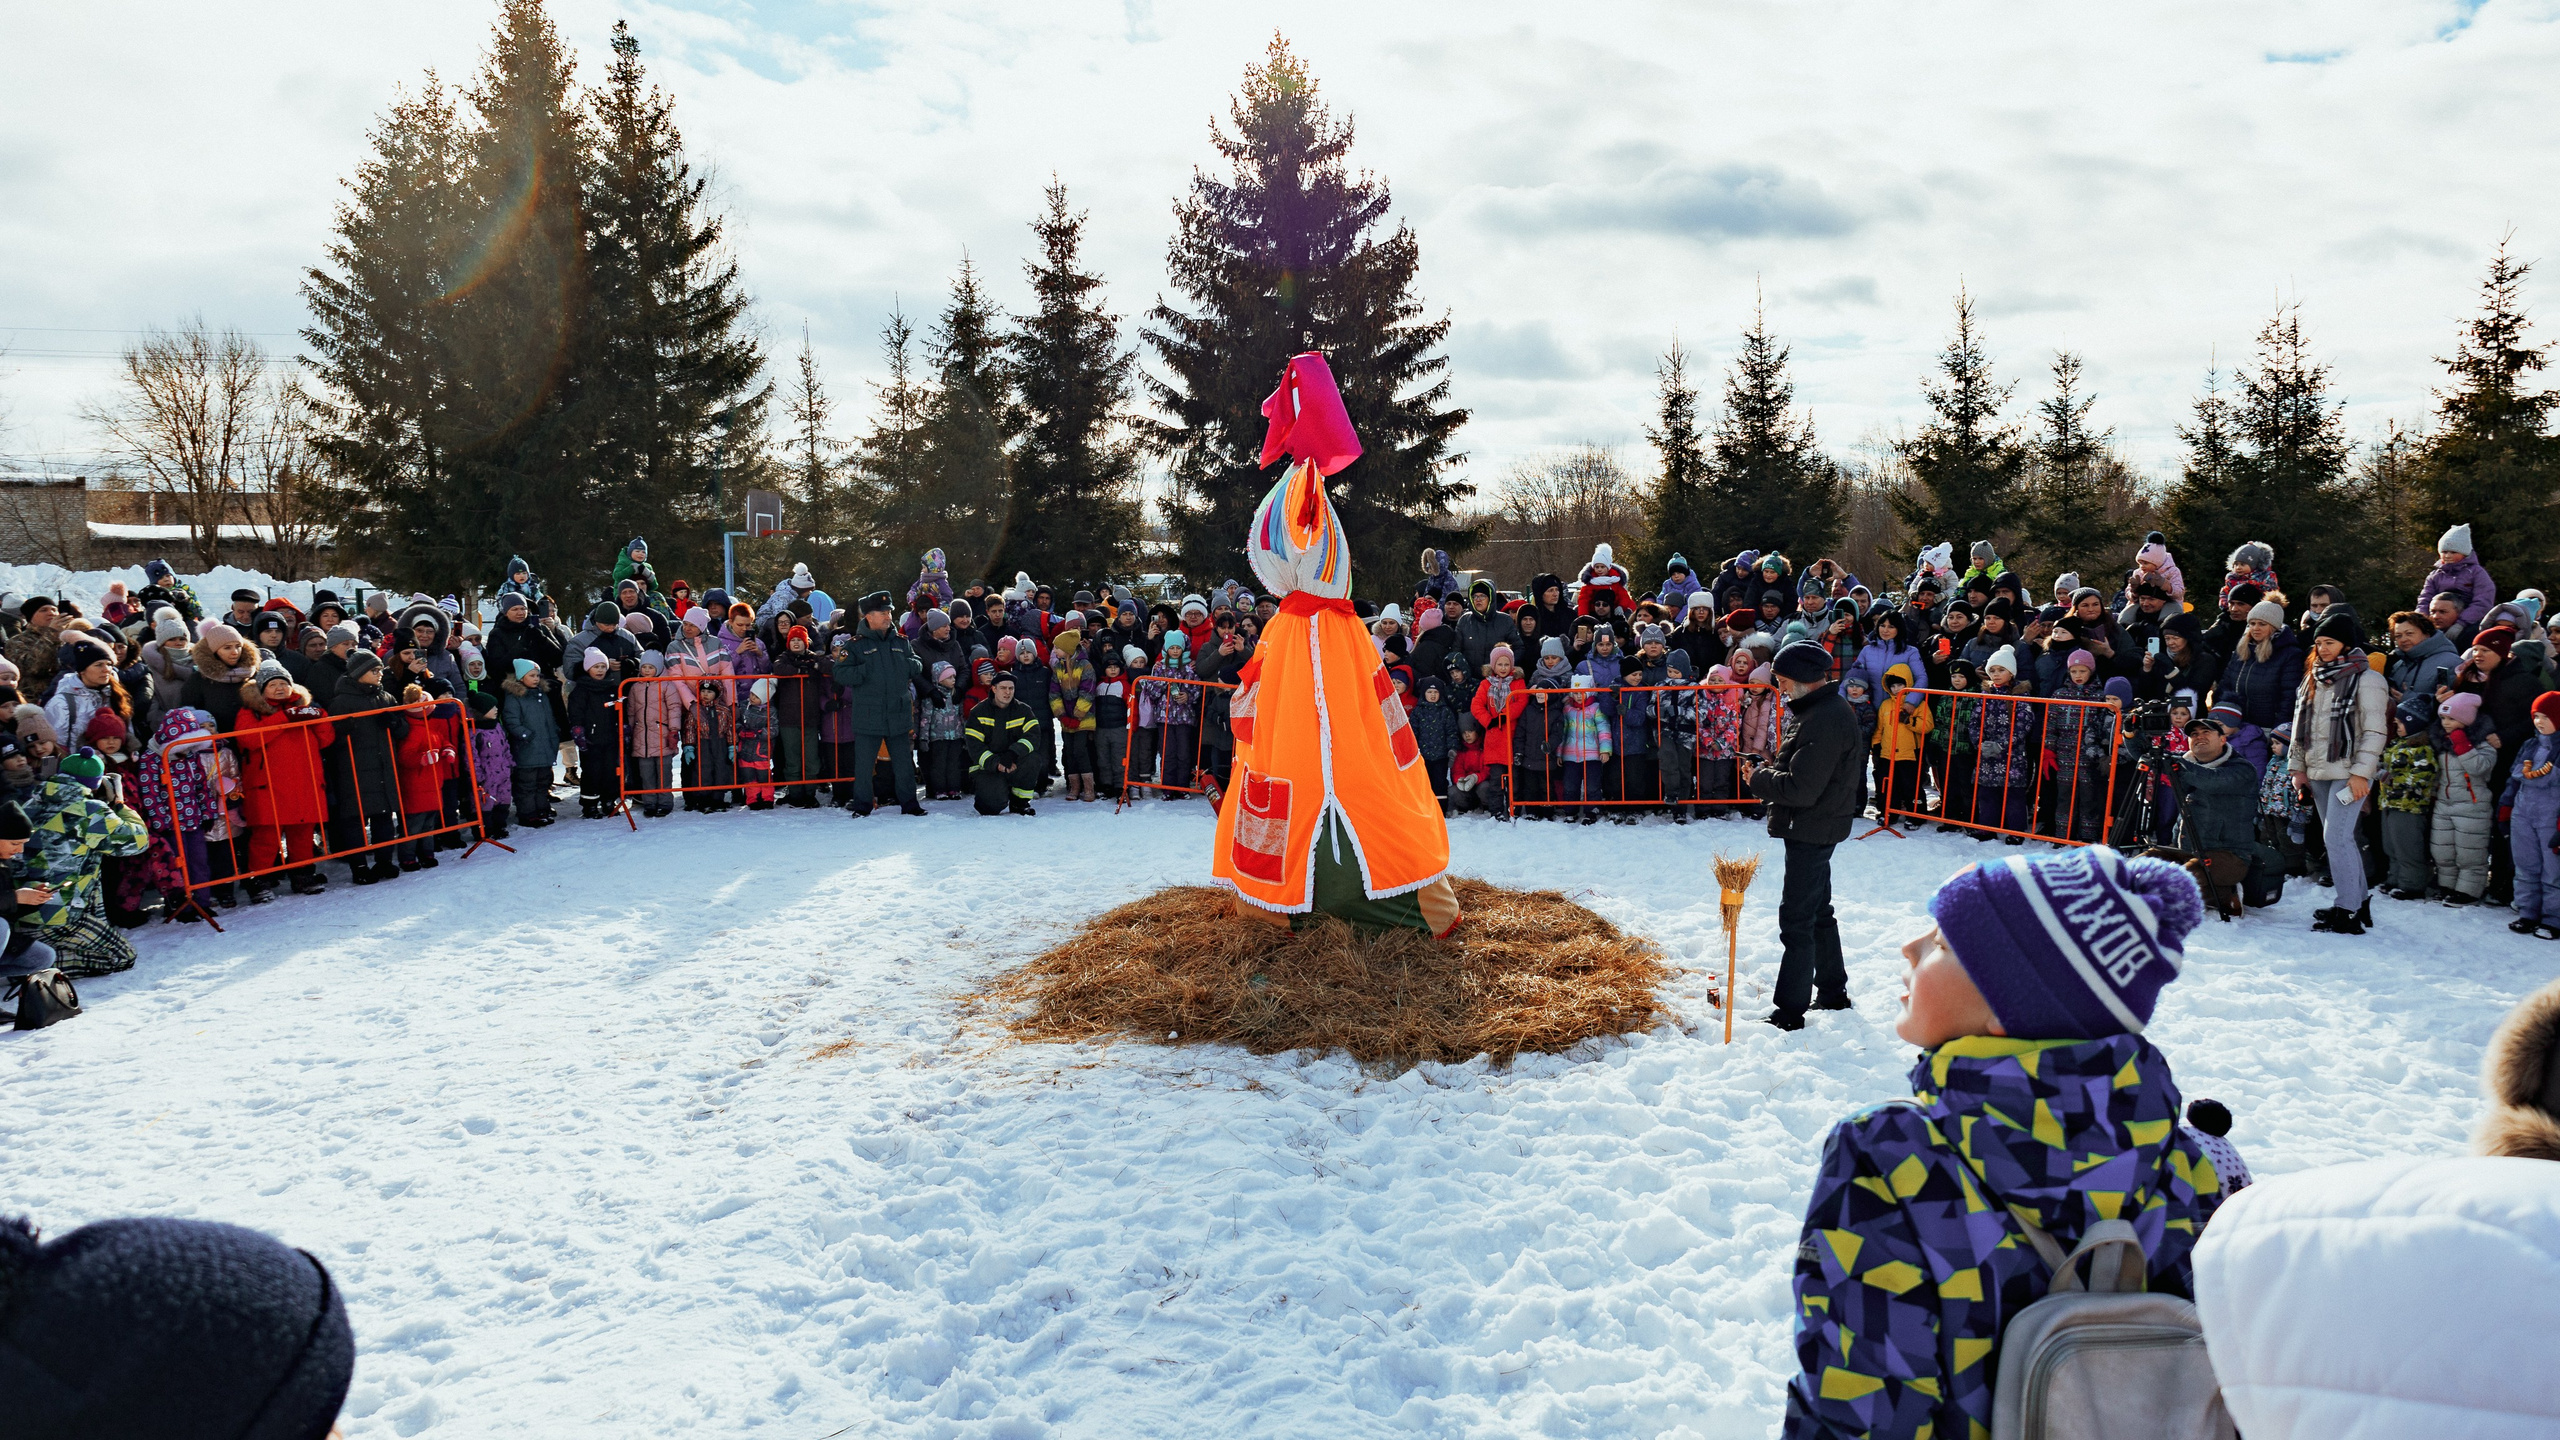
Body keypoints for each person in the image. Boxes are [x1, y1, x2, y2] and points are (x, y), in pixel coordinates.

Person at [1786, 846, 2220, 1440]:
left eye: (1941, 943)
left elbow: (1860, 1408)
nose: (1909, 948)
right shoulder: (2190, 1167)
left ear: (2009, 1004)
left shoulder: (1892, 1155)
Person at [1745, 641, 1863, 1030]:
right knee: (1817, 912)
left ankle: (1790, 1011)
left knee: (1797, 917)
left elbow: (1801, 789)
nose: (1778, 686)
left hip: (1812, 826)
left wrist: (1757, 778)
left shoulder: (1825, 718)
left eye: (1782, 679)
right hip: (1816, 824)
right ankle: (1831, 991)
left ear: (1804, 680)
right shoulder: (1819, 711)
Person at [2291, 611, 2388, 933]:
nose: (2323, 649)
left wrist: (2362, 774)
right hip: (2318, 770)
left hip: (2350, 772)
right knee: (2337, 839)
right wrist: (2297, 769)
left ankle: (2347, 909)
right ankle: (2358, 902)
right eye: (2318, 643)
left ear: (2347, 643)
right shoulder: (2312, 677)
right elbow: (2298, 727)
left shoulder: (2368, 679)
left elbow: (2375, 732)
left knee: (2337, 837)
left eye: (2329, 642)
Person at [832, 591, 927, 817]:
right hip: (868, 715)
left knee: (904, 764)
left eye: (890, 612)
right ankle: (863, 806)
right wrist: (866, 671)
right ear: (868, 616)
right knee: (864, 766)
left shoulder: (901, 642)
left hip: (898, 712)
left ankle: (910, 805)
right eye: (882, 612)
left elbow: (917, 664)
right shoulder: (854, 646)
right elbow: (840, 673)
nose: (888, 616)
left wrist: (907, 666)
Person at [2499, 691, 2560, 937]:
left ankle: (2554, 918)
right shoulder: (2530, 745)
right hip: (2523, 812)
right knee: (2525, 864)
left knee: (2553, 870)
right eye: (2537, 716)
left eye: (2547, 716)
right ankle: (2528, 912)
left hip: (2551, 815)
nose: (2539, 721)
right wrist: (2505, 806)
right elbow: (2514, 781)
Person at [965, 671, 1039, 815]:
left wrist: (1013, 753)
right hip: (987, 767)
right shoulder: (978, 712)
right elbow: (975, 747)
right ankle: (991, 795)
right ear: (994, 689)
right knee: (990, 808)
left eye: (1011, 688)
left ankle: (1020, 803)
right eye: (1003, 688)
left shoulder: (1024, 710)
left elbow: (1033, 737)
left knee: (1033, 759)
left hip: (1014, 760)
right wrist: (996, 763)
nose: (1007, 692)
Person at [2416, 522, 2498, 632]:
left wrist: (2461, 623)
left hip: (2470, 623)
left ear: (2464, 553)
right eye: (2444, 552)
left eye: (2453, 552)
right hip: (2437, 622)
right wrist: (2421, 621)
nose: (2448, 556)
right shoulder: (2435, 576)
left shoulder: (2477, 573)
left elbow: (2483, 601)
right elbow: (2425, 599)